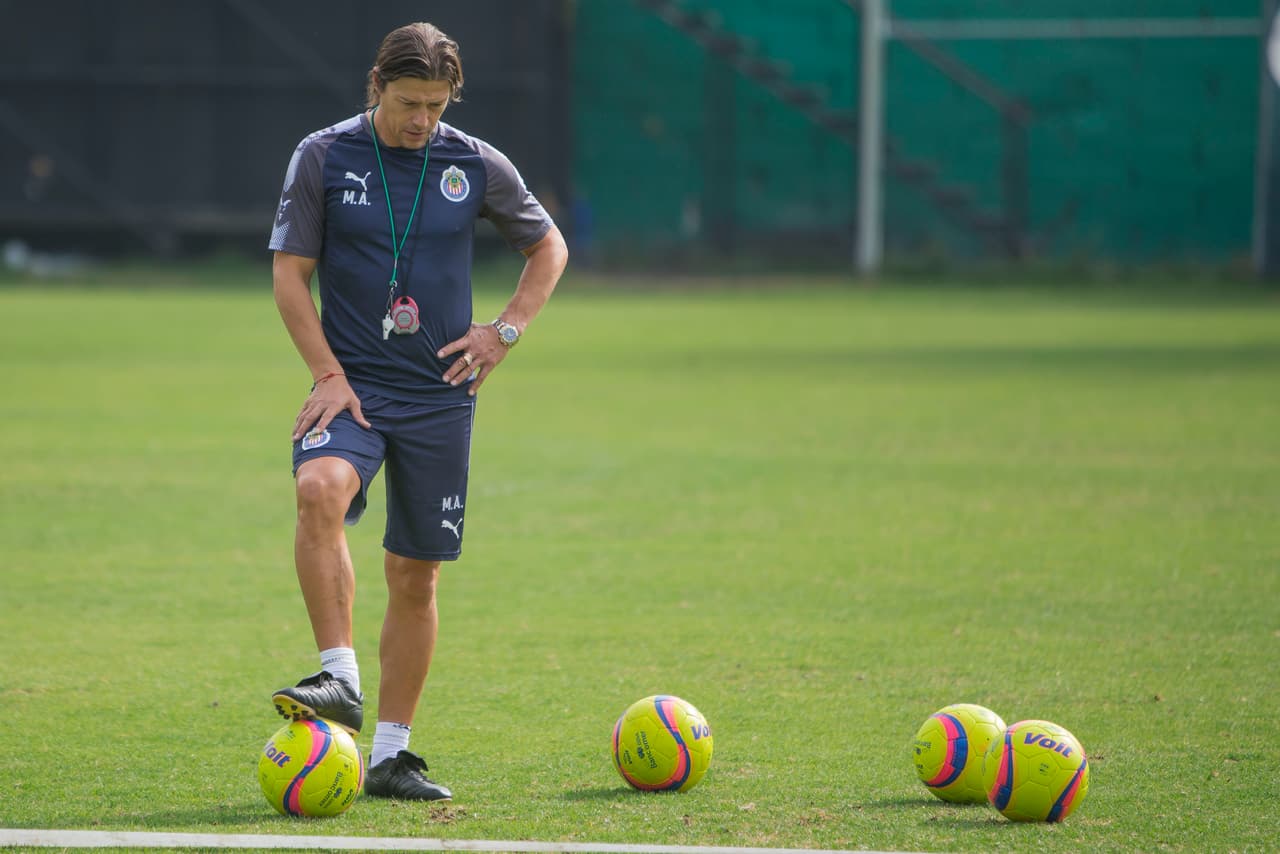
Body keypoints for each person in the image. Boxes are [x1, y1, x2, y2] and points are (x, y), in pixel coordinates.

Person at [266, 21, 567, 801]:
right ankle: (339, 677)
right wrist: (326, 373)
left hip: (440, 397)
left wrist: (502, 333)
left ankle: (390, 759)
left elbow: (549, 247)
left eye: (435, 105)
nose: (421, 120)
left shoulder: (473, 161)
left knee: (414, 576)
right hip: (354, 387)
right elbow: (290, 276)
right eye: (407, 103)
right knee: (317, 490)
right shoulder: (324, 156)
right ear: (377, 87)